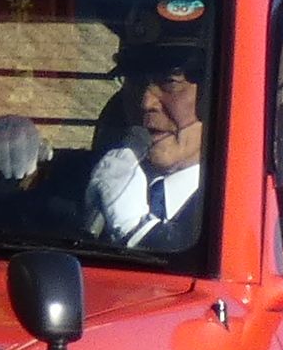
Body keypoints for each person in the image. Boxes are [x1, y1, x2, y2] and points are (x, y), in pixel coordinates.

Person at [85, 55, 209, 253]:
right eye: (134, 82)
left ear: (211, 97)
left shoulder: (237, 210)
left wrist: (137, 231)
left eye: (170, 82)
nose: (146, 102)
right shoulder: (82, 180)